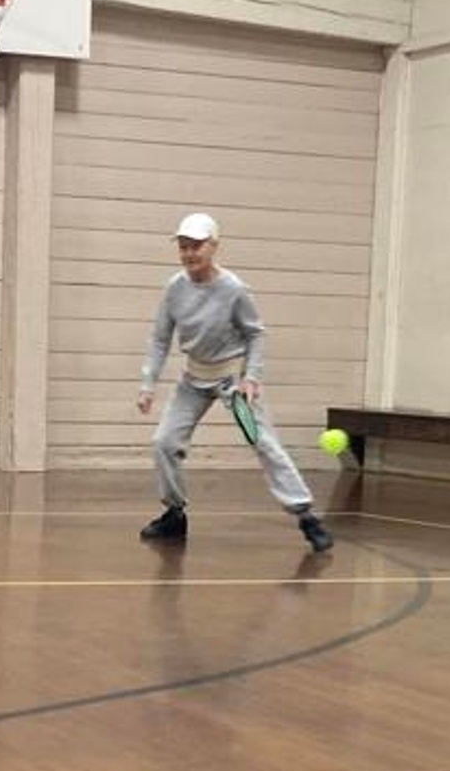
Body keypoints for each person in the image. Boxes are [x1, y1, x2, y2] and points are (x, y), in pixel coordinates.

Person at [136, 212, 333, 553]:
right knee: (164, 442)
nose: (189, 254)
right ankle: (174, 514)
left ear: (214, 246)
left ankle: (306, 516)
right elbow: (159, 339)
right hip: (192, 381)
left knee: (263, 443)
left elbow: (255, 333)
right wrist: (148, 383)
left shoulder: (234, 289)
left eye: (196, 246)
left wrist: (251, 377)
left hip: (231, 384)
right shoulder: (175, 288)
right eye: (183, 247)